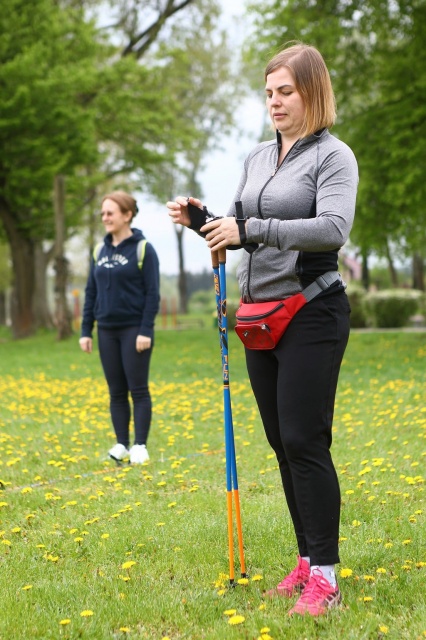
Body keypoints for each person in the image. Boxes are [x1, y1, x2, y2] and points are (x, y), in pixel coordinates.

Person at [167, 43, 358, 616]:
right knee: (281, 444)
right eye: (269, 93)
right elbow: (238, 227)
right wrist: (204, 221)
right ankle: (305, 561)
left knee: (304, 440)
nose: (274, 102)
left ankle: (327, 577)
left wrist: (249, 228)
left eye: (285, 92)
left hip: (311, 311)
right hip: (258, 317)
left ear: (312, 93)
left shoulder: (334, 157)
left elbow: (332, 228)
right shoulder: (256, 157)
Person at [80, 191, 160, 465]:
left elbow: (153, 294)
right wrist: (86, 330)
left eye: (110, 213)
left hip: (134, 330)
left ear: (127, 215)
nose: (105, 218)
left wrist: (145, 330)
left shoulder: (143, 249)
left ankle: (140, 445)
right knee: (115, 391)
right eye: (103, 213)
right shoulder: (99, 251)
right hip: (106, 330)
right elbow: (91, 292)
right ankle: (121, 444)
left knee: (138, 389)